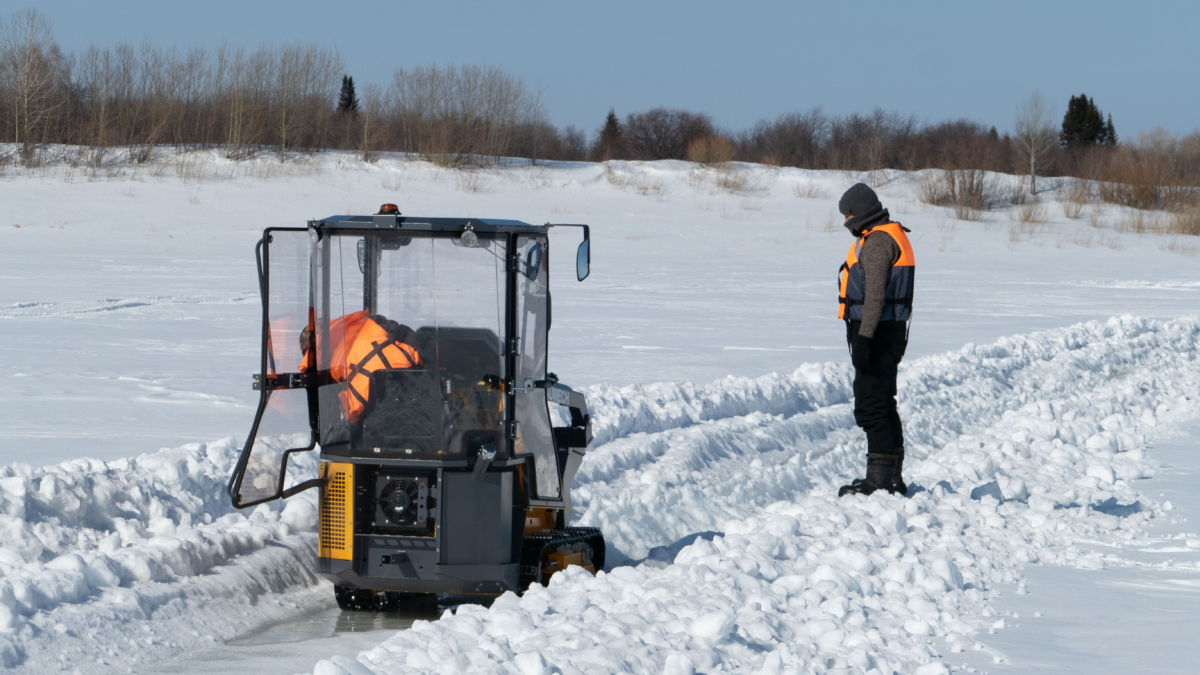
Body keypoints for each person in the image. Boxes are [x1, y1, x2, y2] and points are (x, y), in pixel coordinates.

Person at [835, 183, 915, 497]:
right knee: (883, 401)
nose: (845, 222)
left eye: (848, 214)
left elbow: (875, 297)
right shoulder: (883, 234)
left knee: (871, 405)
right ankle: (890, 477)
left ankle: (879, 480)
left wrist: (864, 339)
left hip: (878, 334)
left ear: (862, 212)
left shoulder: (879, 241)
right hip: (887, 332)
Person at [299, 311, 423, 422]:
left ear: (308, 351)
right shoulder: (365, 324)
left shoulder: (326, 358)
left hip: (381, 410)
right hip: (416, 387)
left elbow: (348, 416)